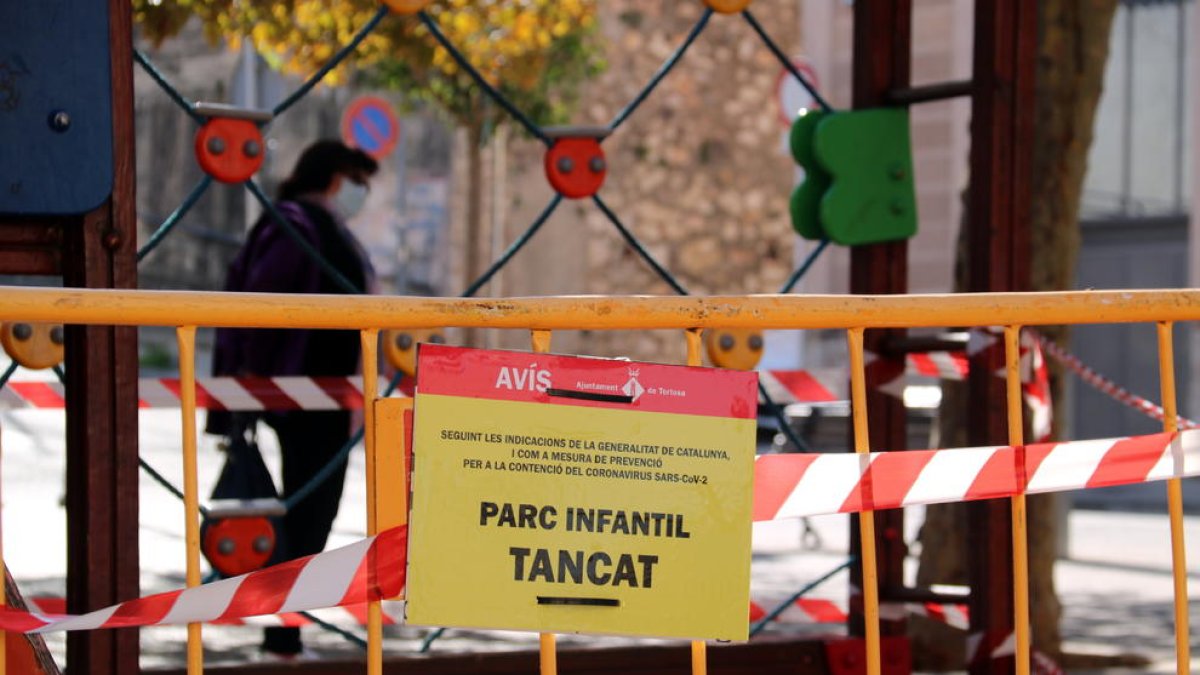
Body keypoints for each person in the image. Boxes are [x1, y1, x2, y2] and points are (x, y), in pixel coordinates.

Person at [207, 140, 379, 658]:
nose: (361, 193)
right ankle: (280, 628)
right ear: (334, 175)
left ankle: (285, 625)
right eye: (357, 180)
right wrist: (256, 379)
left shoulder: (323, 225)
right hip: (294, 398)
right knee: (303, 513)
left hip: (324, 398)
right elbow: (265, 298)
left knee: (311, 513)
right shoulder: (296, 224)